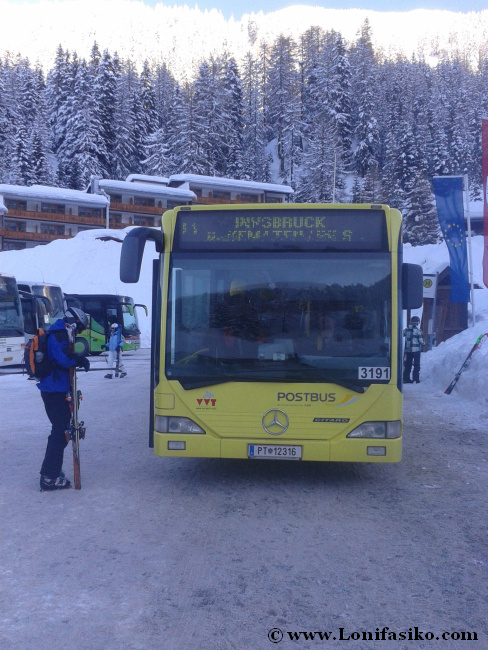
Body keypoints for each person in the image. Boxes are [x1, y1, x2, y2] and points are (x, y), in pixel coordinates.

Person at [38, 307, 90, 491]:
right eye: (80, 329)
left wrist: (77, 359)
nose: (79, 333)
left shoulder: (58, 331)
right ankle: (49, 478)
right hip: (55, 391)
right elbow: (64, 359)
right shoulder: (59, 334)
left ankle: (52, 471)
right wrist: (79, 359)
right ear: (73, 323)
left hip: (53, 389)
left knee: (60, 431)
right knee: (60, 433)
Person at [403, 315, 424, 384]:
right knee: (416, 364)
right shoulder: (418, 331)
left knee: (408, 364)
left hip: (408, 351)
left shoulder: (406, 330)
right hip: (416, 351)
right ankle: (415, 379)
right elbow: (421, 341)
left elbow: (401, 334)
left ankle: (406, 378)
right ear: (417, 322)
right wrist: (424, 343)